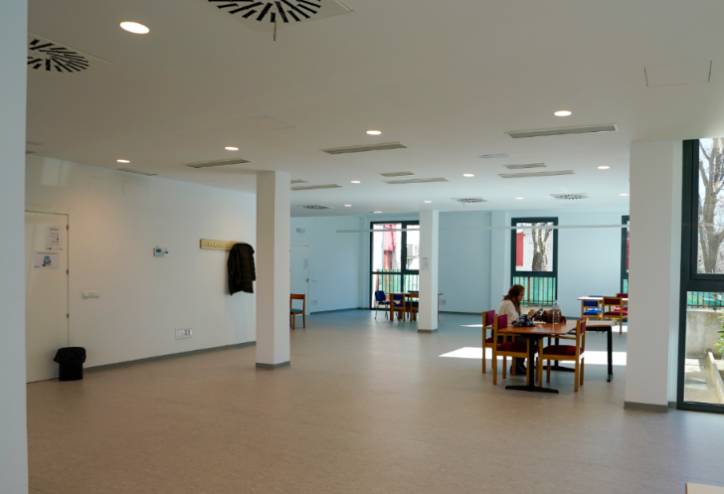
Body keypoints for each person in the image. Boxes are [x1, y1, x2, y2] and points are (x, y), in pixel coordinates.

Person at [497, 285, 535, 375]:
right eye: (521, 295)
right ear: (515, 295)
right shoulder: (508, 303)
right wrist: (528, 316)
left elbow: (517, 319)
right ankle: (517, 366)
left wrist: (527, 316)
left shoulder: (514, 303)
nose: (522, 297)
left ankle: (518, 365)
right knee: (527, 340)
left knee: (529, 339)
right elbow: (516, 320)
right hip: (503, 334)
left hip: (509, 330)